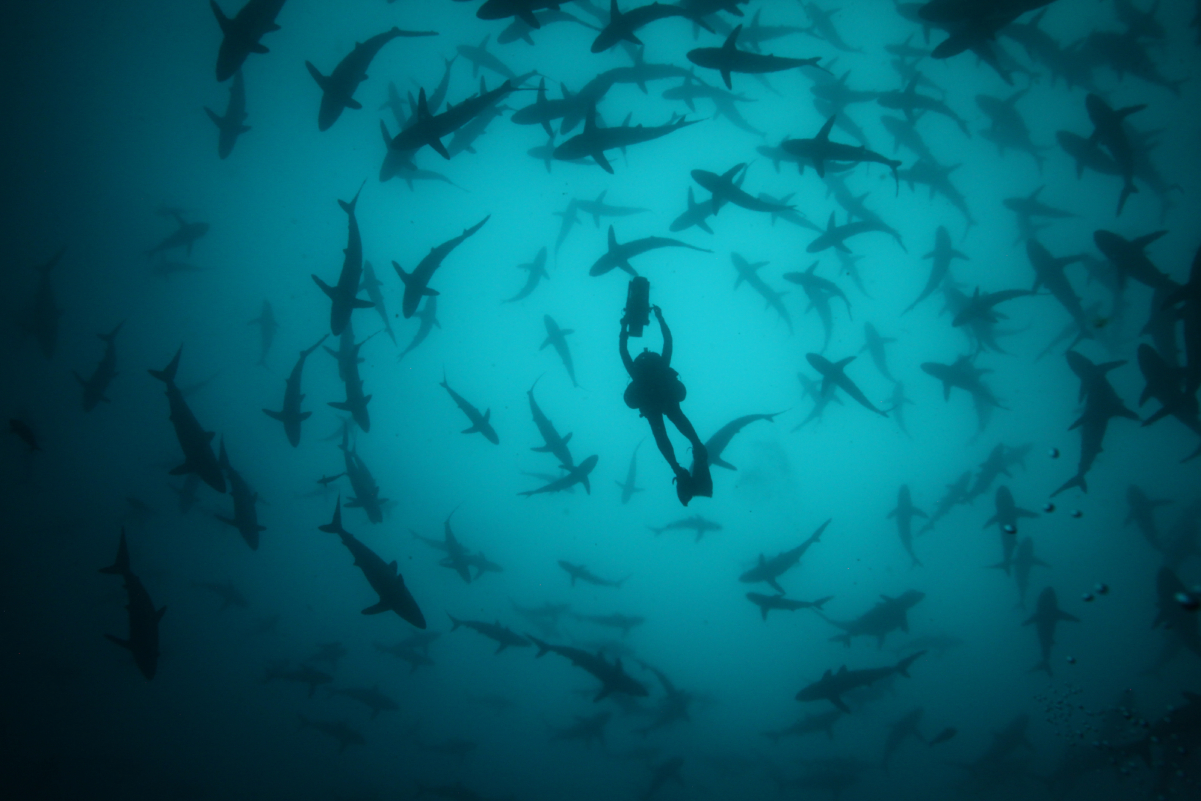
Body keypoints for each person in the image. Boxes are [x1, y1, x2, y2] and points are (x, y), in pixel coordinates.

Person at [620, 305, 712, 505]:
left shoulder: (638, 373)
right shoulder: (660, 367)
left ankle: (680, 465)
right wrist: (660, 319)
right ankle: (695, 447)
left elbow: (623, 351)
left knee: (661, 432)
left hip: (651, 401)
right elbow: (668, 341)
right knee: (677, 421)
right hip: (664, 396)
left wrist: (625, 327)